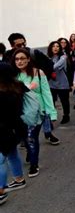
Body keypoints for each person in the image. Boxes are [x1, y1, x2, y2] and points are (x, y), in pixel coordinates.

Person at [12, 48, 59, 178]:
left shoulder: (38, 73)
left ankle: (34, 164)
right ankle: (30, 150)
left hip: (38, 112)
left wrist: (52, 113)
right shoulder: (13, 76)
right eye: (17, 59)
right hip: (20, 112)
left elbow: (46, 93)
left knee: (32, 137)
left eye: (22, 58)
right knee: (25, 138)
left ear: (28, 59)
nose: (19, 61)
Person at [0, 63, 27, 205]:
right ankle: (19, 179)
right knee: (12, 153)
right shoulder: (19, 86)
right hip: (17, 128)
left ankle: (1, 191)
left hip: (5, 130)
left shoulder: (2, 92)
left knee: (0, 159)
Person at [47, 41, 71, 124]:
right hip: (51, 83)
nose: (55, 48)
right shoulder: (48, 57)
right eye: (53, 46)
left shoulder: (63, 57)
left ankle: (66, 115)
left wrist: (49, 67)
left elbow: (57, 66)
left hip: (62, 82)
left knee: (64, 101)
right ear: (50, 48)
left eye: (57, 46)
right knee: (51, 101)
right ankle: (51, 117)